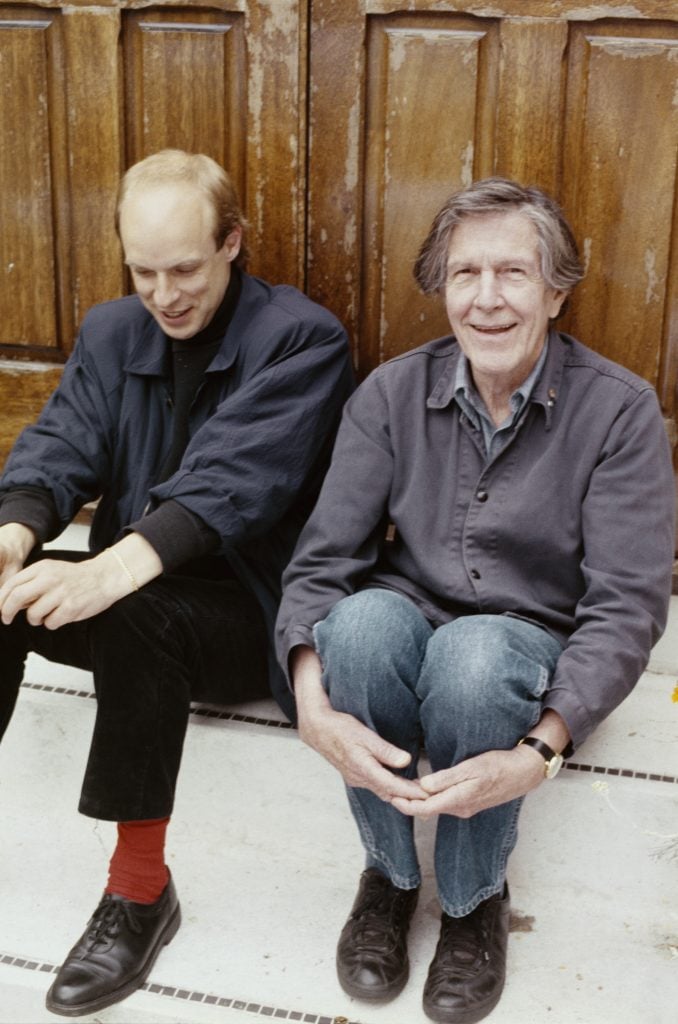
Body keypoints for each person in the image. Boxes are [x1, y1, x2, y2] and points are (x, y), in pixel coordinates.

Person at [276, 178, 675, 1024]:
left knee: (477, 656)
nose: (486, 300)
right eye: (465, 274)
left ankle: (471, 903)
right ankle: (389, 874)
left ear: (557, 291)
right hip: (412, 615)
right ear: (442, 287)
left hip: (524, 642)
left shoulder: (620, 411)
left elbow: (628, 606)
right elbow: (320, 565)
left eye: (514, 274)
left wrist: (544, 747)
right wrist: (311, 698)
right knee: (356, 625)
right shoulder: (390, 393)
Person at [0, 149, 353, 1017]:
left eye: (186, 267)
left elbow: (229, 485)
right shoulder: (113, 330)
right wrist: (13, 535)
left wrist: (107, 572)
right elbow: (59, 445)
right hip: (136, 593)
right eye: (145, 271)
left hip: (247, 615)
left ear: (233, 242)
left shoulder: (303, 339)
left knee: (135, 611)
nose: (165, 294)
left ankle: (140, 893)